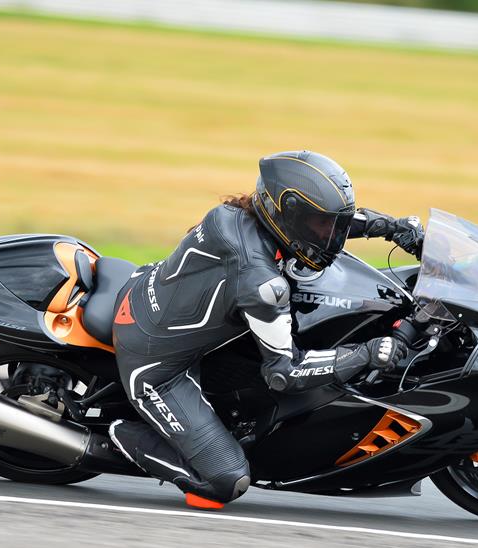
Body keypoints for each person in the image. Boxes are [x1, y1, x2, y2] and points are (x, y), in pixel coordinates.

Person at [108, 150, 424, 509]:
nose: (330, 235)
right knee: (226, 483)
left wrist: (392, 227)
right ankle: (112, 439)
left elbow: (328, 227)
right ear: (287, 215)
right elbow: (284, 373)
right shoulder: (260, 281)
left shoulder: (236, 214)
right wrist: (365, 353)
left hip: (146, 290)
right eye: (320, 224)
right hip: (155, 365)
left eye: (333, 224)